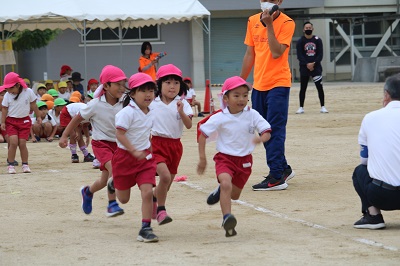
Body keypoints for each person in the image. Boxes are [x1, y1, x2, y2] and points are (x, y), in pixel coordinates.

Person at [197, 76, 271, 237]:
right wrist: (202, 158)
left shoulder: (252, 114)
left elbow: (267, 131)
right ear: (226, 98)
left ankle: (220, 191)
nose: (241, 99)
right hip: (225, 159)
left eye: (245, 95)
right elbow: (202, 134)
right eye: (236, 95)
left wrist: (261, 139)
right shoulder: (219, 117)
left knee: (234, 195)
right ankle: (227, 218)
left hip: (244, 161)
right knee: (226, 183)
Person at [240, 0, 295, 191]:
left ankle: (276, 176)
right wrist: (239, 82)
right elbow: (250, 54)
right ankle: (283, 167)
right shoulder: (252, 20)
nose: (266, 1)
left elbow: (277, 52)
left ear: (279, 2)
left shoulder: (287, 23)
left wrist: (270, 25)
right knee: (263, 129)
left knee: (273, 129)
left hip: (279, 83)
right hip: (259, 85)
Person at [60, 65, 127, 217]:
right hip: (101, 144)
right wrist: (64, 136)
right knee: (114, 169)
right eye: (118, 84)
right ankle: (112, 204)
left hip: (118, 144)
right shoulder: (95, 104)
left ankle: (87, 192)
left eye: (123, 84)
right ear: (107, 85)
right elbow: (76, 119)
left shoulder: (125, 102)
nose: (122, 88)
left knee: (104, 181)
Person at [108, 72, 158, 242]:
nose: (148, 95)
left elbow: (145, 134)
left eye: (151, 91)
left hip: (144, 159)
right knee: (124, 199)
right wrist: (133, 151)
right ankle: (112, 183)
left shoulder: (151, 111)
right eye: (143, 91)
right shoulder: (127, 113)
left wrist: (148, 150)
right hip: (124, 159)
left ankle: (145, 228)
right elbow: (120, 135)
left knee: (147, 192)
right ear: (133, 93)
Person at [352, 74, 400, 230]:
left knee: (360, 172)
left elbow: (364, 161)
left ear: (386, 95)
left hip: (383, 195)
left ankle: (373, 215)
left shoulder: (370, 118)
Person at [150, 64, 192, 225]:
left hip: (175, 147)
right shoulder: (152, 103)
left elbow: (188, 125)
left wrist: (181, 111)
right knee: (165, 177)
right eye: (167, 82)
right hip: (157, 144)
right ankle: (161, 211)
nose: (172, 86)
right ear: (159, 85)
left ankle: (154, 198)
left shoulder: (182, 103)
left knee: (165, 185)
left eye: (176, 83)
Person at [1, 72, 42, 174]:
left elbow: (34, 105)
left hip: (24, 121)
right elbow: (4, 109)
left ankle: (25, 164)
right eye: (7, 89)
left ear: (18, 85)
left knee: (22, 143)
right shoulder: (7, 95)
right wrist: (3, 122)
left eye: (10, 88)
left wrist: (38, 116)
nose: (8, 91)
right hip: (11, 121)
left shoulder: (28, 92)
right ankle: (10, 165)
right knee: (13, 142)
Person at [295, 21, 328, 114]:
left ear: (313, 29)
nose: (308, 29)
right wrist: (307, 64)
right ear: (303, 29)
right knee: (303, 88)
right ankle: (301, 107)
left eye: (310, 28)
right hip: (304, 68)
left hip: (316, 68)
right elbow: (299, 55)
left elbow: (320, 54)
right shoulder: (300, 41)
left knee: (319, 87)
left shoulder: (317, 40)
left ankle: (323, 106)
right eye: (306, 28)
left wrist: (314, 63)